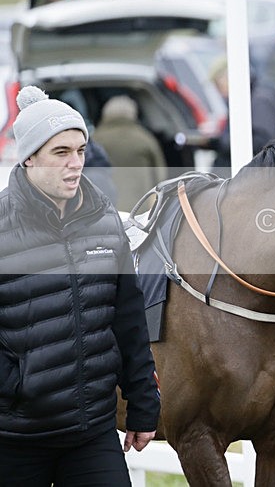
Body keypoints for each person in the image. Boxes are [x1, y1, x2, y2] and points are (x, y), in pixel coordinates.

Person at [0, 86, 161, 485]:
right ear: (29, 158)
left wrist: (143, 404)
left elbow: (127, 321)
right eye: (61, 153)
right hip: (14, 437)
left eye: (81, 151)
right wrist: (18, 386)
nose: (75, 164)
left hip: (92, 432)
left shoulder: (105, 222)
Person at [207, 57, 275, 177]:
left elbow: (265, 142)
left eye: (217, 84)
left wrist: (222, 141)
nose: (217, 90)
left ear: (228, 77)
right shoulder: (245, 100)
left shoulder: (259, 100)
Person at [92, 95, 168, 211]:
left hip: (103, 211)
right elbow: (160, 176)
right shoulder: (145, 139)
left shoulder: (94, 140)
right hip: (139, 210)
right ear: (133, 114)